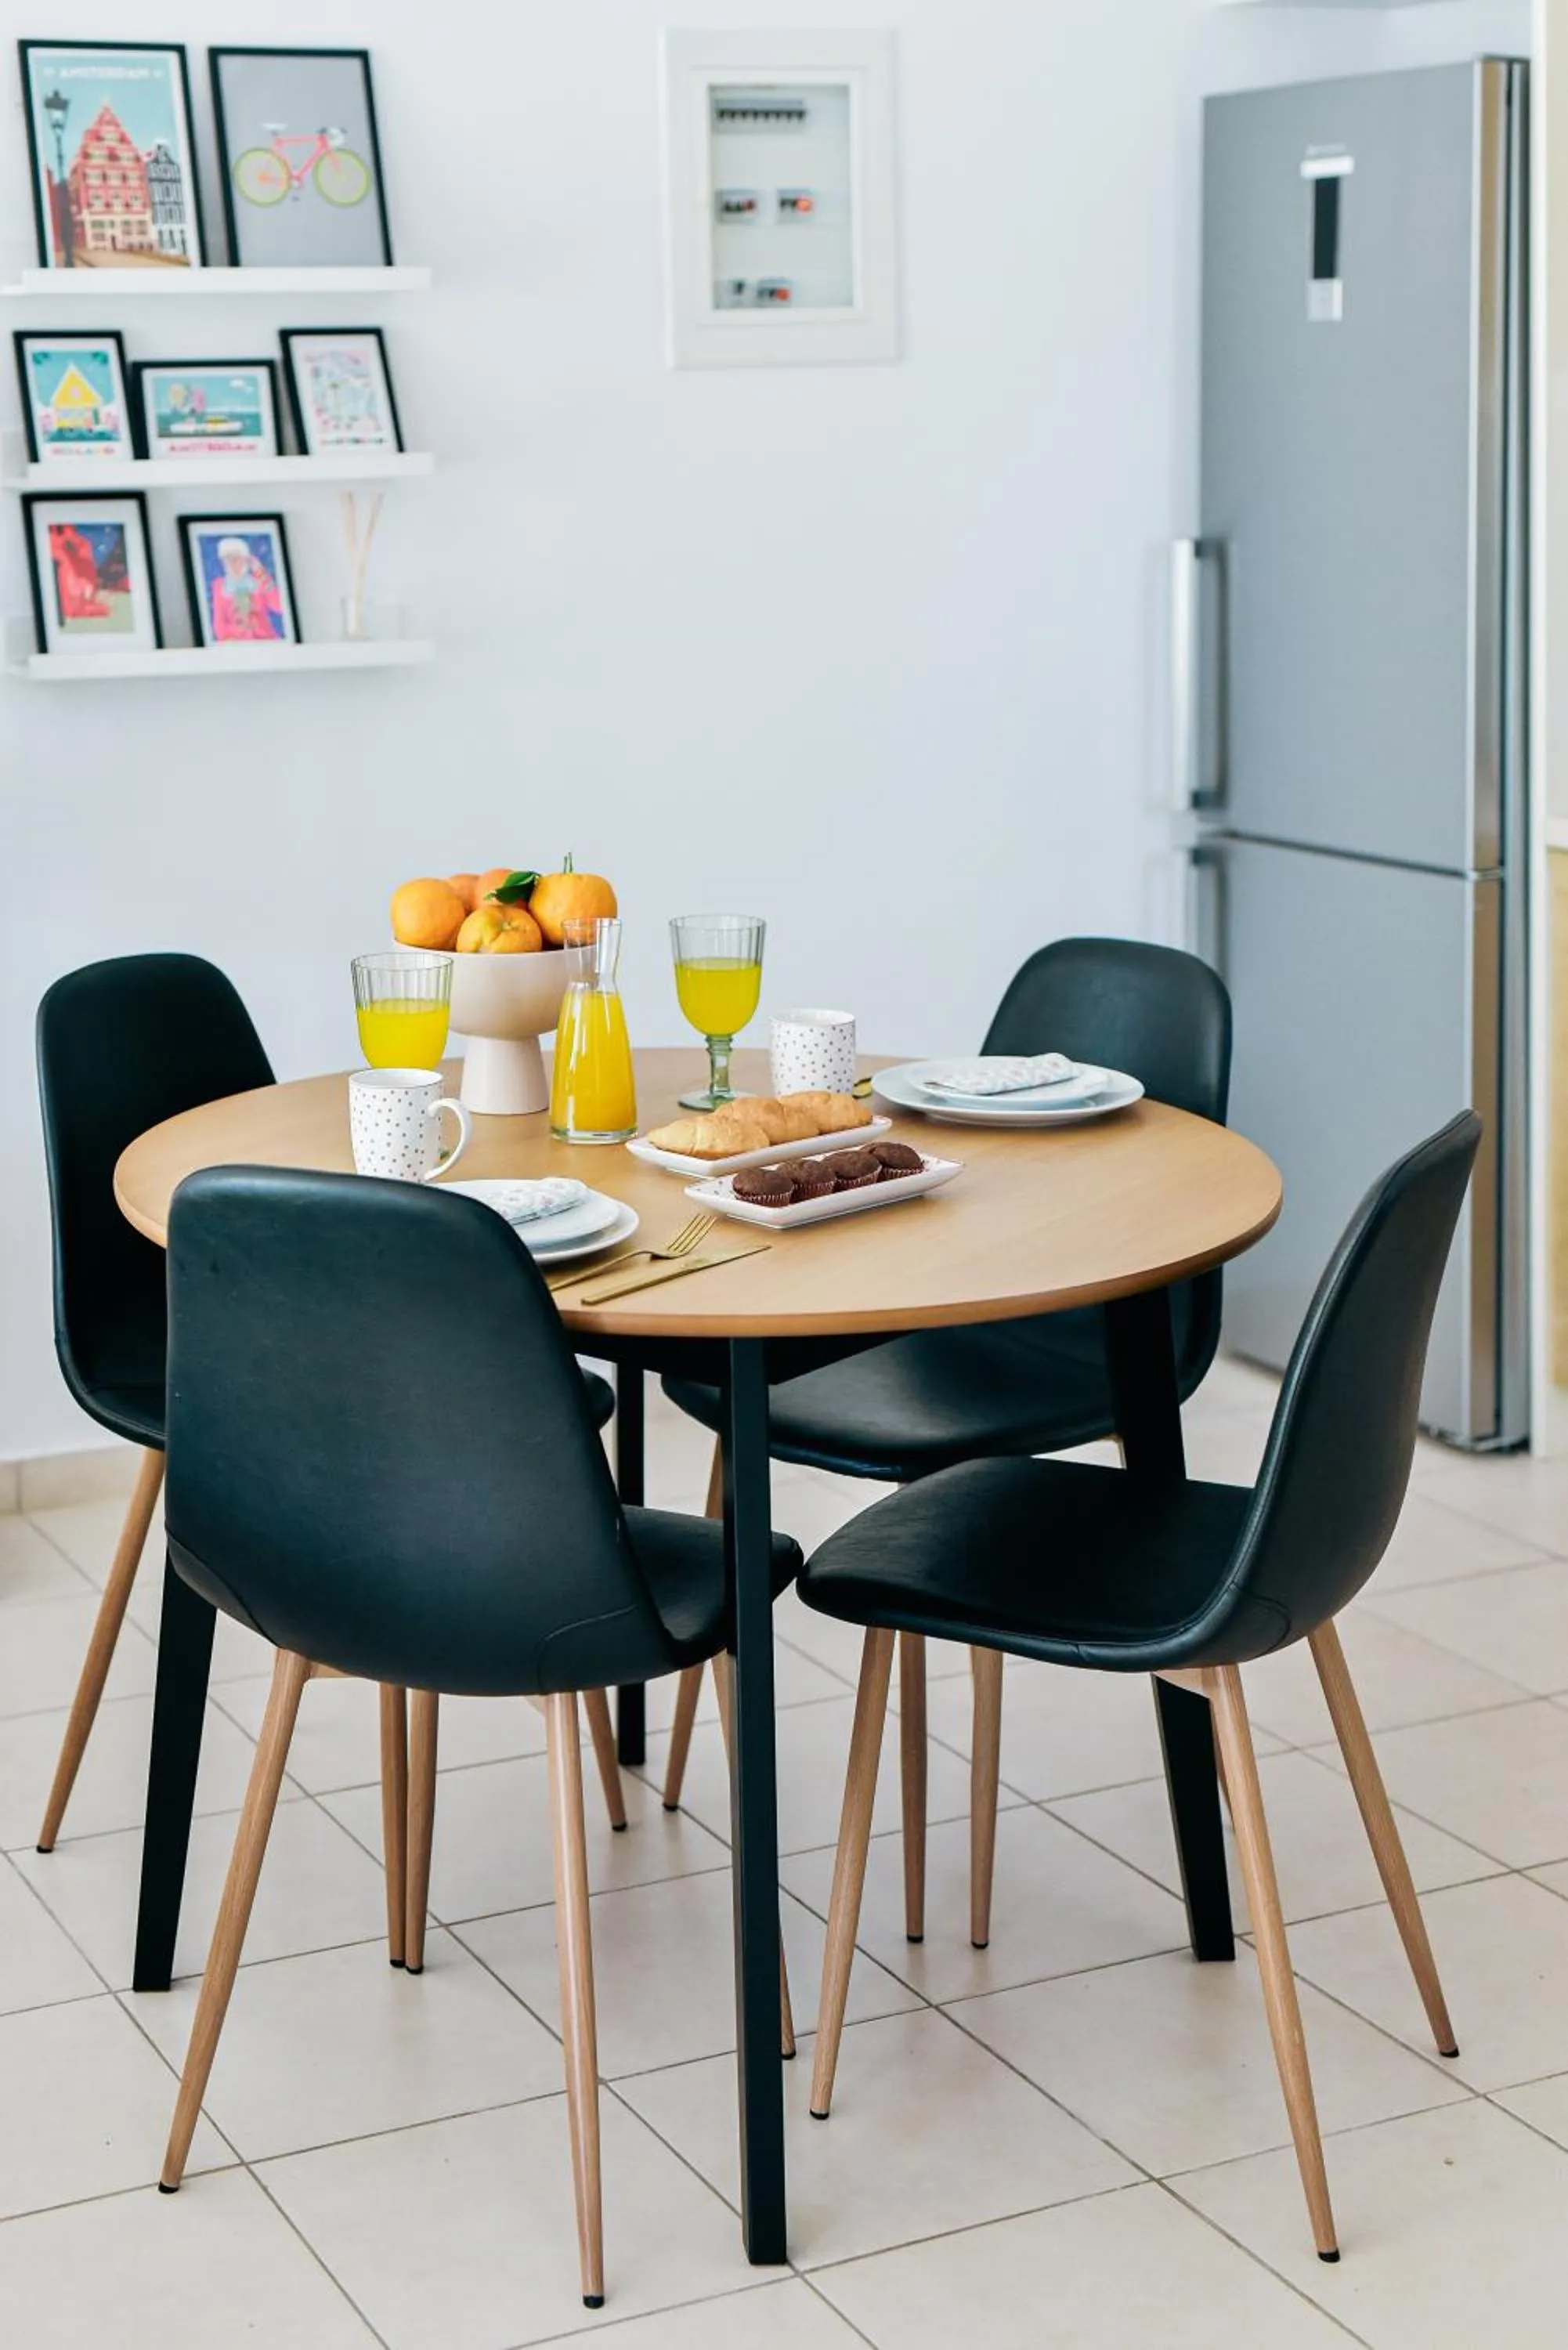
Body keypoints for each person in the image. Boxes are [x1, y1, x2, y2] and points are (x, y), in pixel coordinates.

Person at [209, 535, 284, 642]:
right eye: (227, 560)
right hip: (235, 644)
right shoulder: (220, 586)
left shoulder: (258, 581)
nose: (232, 564)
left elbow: (279, 606)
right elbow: (219, 622)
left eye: (236, 559)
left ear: (246, 560)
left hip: (265, 640)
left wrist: (262, 575)